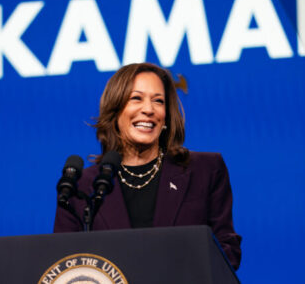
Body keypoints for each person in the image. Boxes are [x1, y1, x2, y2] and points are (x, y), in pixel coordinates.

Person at [54, 62, 242, 270]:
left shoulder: (204, 170)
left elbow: (227, 251)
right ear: (115, 111)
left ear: (166, 117)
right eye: (136, 98)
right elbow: (64, 265)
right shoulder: (83, 186)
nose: (149, 110)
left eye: (158, 101)